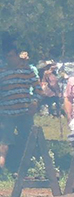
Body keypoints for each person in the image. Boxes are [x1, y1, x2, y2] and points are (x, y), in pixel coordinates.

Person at [0, 35, 37, 170]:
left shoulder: (28, 71)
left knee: (27, 139)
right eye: (7, 56)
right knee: (5, 141)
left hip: (25, 113)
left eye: (11, 56)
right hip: (7, 114)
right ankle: (1, 167)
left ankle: (29, 166)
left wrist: (34, 103)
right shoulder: (2, 72)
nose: (9, 59)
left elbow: (38, 90)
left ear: (17, 56)